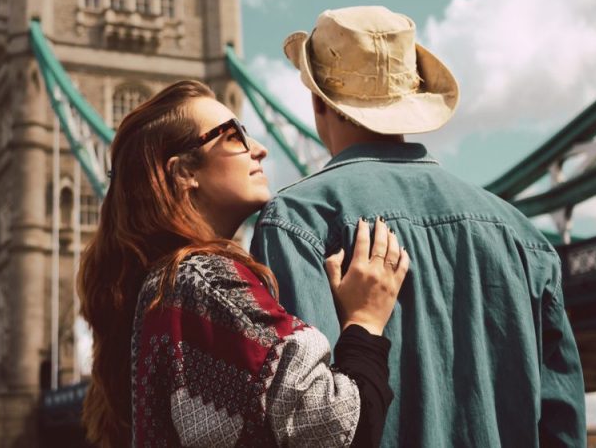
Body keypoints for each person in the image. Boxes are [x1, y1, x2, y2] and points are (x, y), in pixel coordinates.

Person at [250, 6, 586, 447]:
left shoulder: (297, 221)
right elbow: (563, 422)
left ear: (318, 101)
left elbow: (303, 422)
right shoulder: (523, 236)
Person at [78, 80, 410, 448]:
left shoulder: (167, 288)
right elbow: (340, 428)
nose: (260, 149)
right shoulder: (204, 281)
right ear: (184, 172)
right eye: (234, 136)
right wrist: (365, 320)